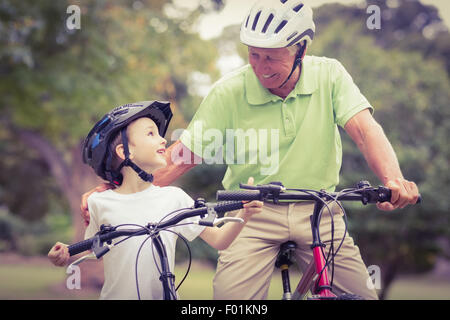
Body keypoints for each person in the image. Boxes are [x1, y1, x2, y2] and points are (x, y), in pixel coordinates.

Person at [80, 1, 420, 300]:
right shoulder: (229, 91)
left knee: (359, 296)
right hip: (251, 212)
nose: (261, 66)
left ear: (301, 49)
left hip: (320, 207)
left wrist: (394, 179)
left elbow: (364, 130)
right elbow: (181, 158)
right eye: (253, 54)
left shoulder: (330, 75)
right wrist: (118, 190)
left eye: (272, 57)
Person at [48, 101, 263, 300]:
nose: (163, 140)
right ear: (125, 152)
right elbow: (94, 250)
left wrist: (245, 213)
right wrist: (67, 253)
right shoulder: (99, 203)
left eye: (159, 133)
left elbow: (220, 241)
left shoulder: (174, 199)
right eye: (151, 134)